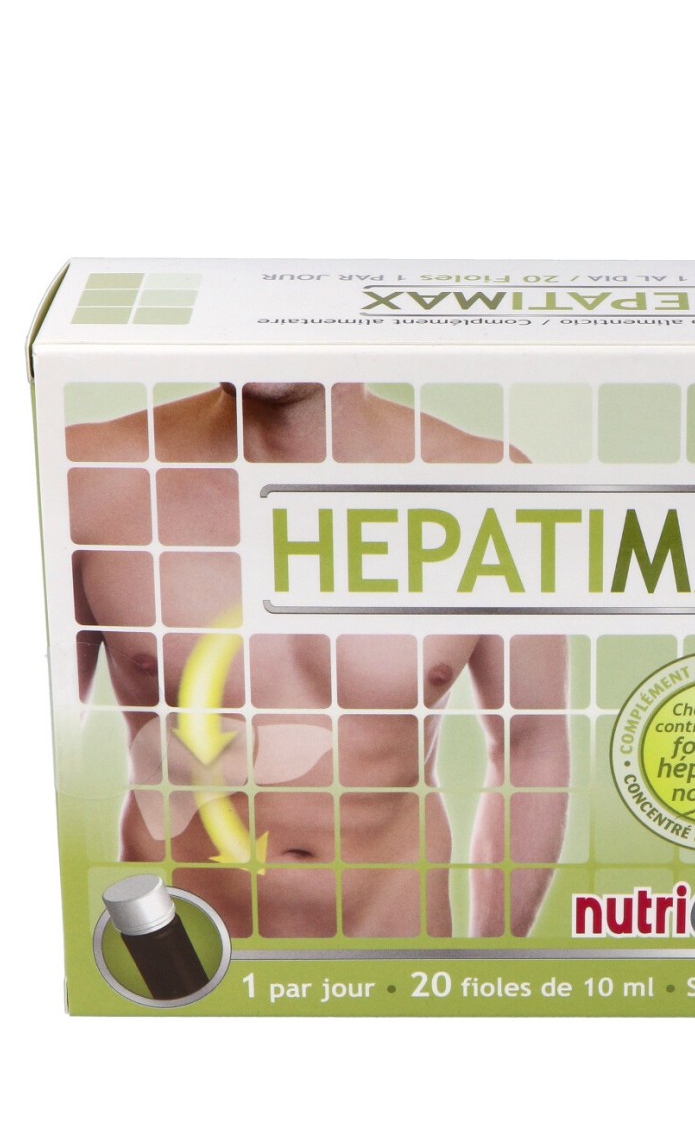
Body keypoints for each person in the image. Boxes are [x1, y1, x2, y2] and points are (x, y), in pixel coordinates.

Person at [67, 382, 570, 940]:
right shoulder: (88, 476)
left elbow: (530, 743)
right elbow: (36, 738)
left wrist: (493, 959)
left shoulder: (485, 485)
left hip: (395, 947)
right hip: (177, 942)